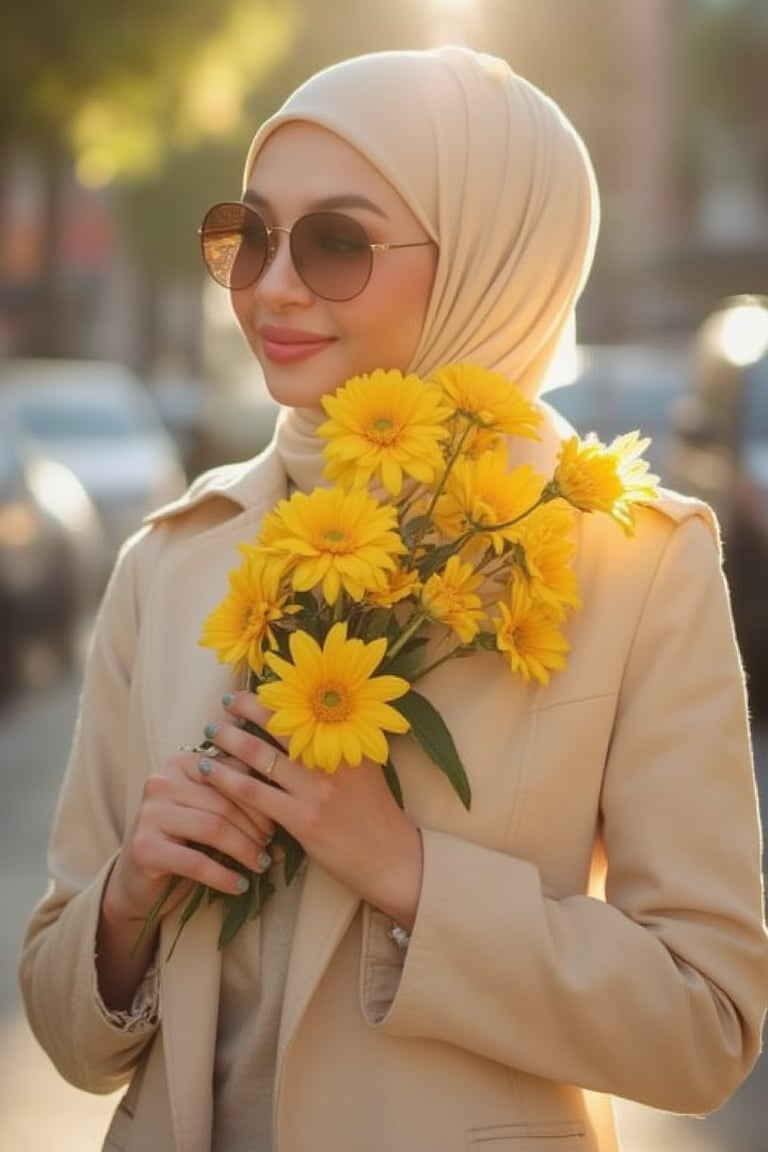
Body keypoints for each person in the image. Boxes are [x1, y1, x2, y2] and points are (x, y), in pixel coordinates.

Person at [19, 45, 768, 1152]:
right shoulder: (172, 561)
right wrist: (126, 899)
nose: (271, 284)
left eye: (335, 243)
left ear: (484, 257)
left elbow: (705, 1026)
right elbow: (71, 1033)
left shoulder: (628, 560)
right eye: (252, 235)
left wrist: (414, 877)